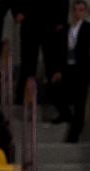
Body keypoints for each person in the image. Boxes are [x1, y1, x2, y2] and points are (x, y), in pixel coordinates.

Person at [50, 0, 90, 142]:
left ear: (86, 13)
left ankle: (74, 135)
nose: (77, 13)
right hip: (67, 68)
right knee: (54, 89)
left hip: (82, 70)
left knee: (80, 103)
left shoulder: (88, 28)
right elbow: (60, 51)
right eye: (75, 10)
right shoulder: (66, 29)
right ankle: (65, 114)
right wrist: (59, 70)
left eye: (81, 10)